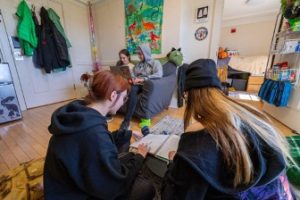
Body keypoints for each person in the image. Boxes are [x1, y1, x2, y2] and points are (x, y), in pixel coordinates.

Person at [161, 59, 296, 199]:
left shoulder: (193, 147)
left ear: (188, 96)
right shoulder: (253, 117)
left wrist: (172, 164)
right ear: (218, 90)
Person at [44, 70, 155, 199]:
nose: (123, 103)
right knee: (147, 188)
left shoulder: (79, 113)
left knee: (123, 143)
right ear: (113, 95)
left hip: (61, 186)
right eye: (124, 98)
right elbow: (115, 185)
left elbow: (98, 141)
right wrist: (139, 157)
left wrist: (128, 133)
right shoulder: (94, 134)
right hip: (75, 194)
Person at [119, 43, 163, 131]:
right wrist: (132, 79)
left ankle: (127, 121)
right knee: (132, 89)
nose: (139, 56)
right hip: (137, 84)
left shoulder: (155, 63)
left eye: (140, 53)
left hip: (147, 84)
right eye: (138, 54)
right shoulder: (138, 65)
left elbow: (159, 74)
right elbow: (133, 74)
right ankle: (126, 121)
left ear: (146, 52)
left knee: (134, 89)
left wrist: (143, 79)